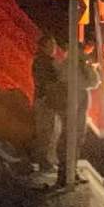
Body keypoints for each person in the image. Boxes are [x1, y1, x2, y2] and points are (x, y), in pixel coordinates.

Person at [55, 41, 101, 187]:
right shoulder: (79, 63)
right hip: (75, 97)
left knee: (72, 136)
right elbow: (94, 81)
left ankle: (68, 172)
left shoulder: (65, 63)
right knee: (73, 136)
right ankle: (68, 173)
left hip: (73, 97)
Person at [31, 33, 66, 173]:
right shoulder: (42, 62)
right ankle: (44, 161)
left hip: (51, 101)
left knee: (54, 131)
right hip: (45, 100)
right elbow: (47, 82)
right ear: (43, 47)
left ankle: (49, 160)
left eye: (54, 45)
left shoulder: (48, 61)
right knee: (47, 132)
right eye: (50, 45)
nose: (54, 48)